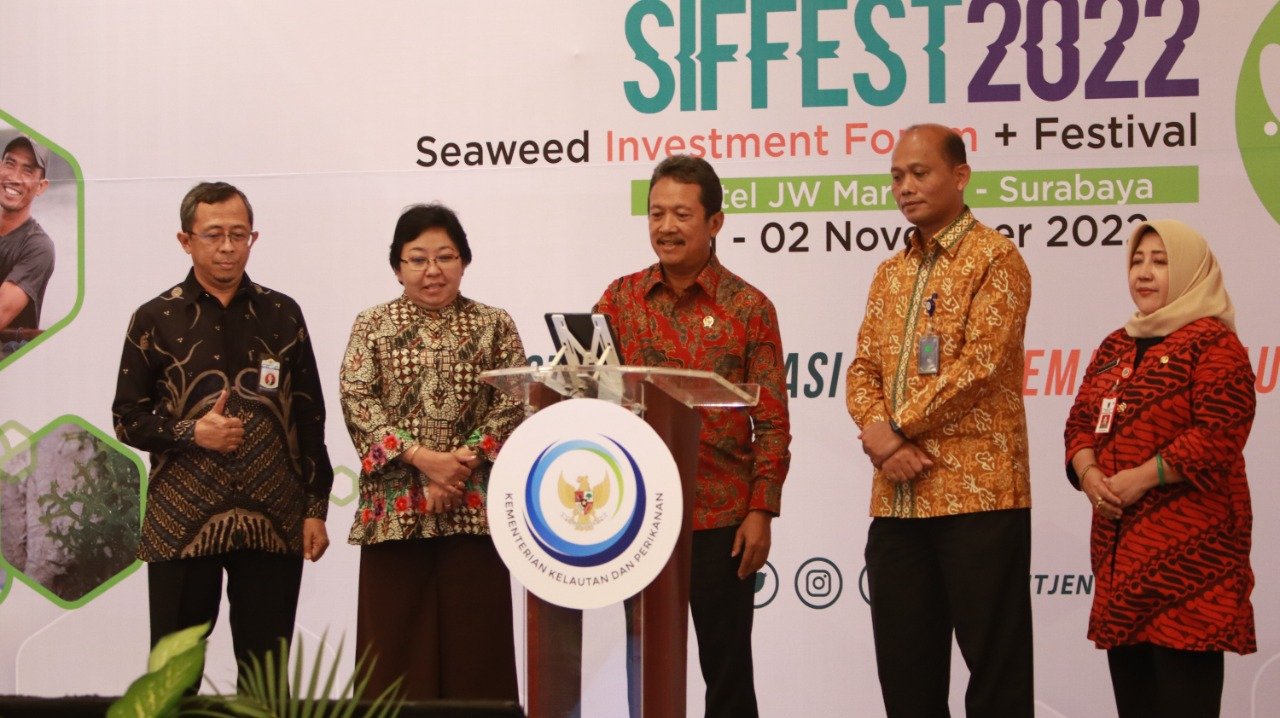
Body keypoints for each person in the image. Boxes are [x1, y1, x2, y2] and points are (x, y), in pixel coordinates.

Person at [845, 123, 1034, 717]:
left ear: (960, 176)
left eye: (919, 173)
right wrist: (882, 438)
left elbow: (981, 365)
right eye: (897, 176)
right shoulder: (890, 272)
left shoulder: (996, 259)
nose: (905, 186)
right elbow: (861, 369)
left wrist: (893, 427)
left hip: (978, 499)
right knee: (906, 681)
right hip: (898, 502)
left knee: (997, 678)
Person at [112, 181, 333, 686]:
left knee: (266, 679)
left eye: (239, 234)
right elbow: (127, 417)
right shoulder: (154, 318)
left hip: (273, 518)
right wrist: (192, 432)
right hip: (181, 521)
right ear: (185, 240)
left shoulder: (283, 313)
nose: (228, 247)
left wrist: (315, 507)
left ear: (254, 237)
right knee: (172, 679)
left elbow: (309, 416)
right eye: (214, 235)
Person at [594, 154, 791, 718]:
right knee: (647, 671)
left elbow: (772, 421)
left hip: (721, 516)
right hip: (639, 513)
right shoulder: (619, 299)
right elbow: (592, 394)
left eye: (682, 214)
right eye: (656, 213)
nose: (666, 227)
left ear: (715, 222)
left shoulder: (749, 308)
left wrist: (761, 510)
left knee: (727, 673)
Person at [1065, 220, 1255, 718]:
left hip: (1190, 569)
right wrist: (1088, 474)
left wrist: (1142, 477)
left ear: (1191, 271)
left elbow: (1219, 434)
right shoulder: (1115, 346)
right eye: (1137, 261)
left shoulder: (1215, 345)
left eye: (1160, 261)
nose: (1144, 273)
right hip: (1121, 564)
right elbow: (1080, 423)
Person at [339, 203, 524, 701]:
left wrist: (458, 466)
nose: (432, 270)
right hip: (395, 514)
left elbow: (514, 402)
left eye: (445, 256)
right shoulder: (372, 324)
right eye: (418, 259)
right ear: (397, 266)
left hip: (474, 509)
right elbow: (357, 400)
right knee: (393, 662)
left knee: (477, 658)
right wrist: (425, 460)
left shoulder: (494, 324)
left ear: (465, 260)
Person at [0, 135, 54, 340]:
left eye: (27, 170)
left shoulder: (39, 247)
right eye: (10, 163)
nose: (14, 177)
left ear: (41, 186)